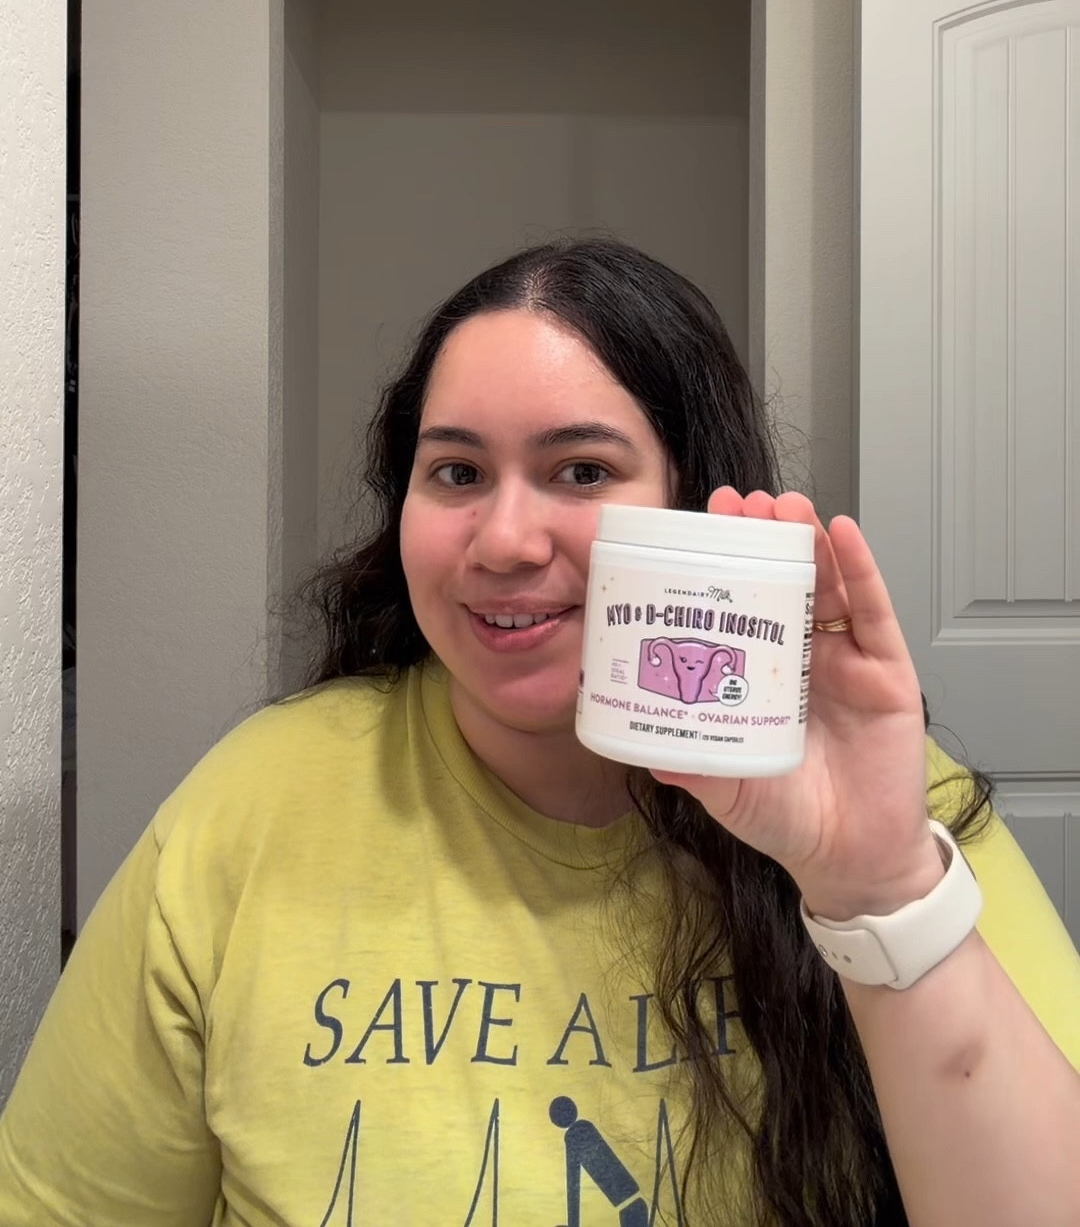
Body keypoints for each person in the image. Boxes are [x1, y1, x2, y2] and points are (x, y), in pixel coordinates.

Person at [1, 238, 1078, 1227]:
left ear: (693, 507)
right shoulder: (248, 813)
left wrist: (874, 889)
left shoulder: (880, 803)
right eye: (457, 473)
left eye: (582, 471)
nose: (506, 541)